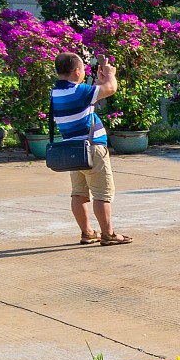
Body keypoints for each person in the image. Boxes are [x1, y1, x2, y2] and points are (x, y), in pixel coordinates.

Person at [50, 51, 129, 245]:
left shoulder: (57, 92)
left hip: (73, 150)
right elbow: (110, 88)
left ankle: (87, 232)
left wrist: (99, 83)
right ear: (77, 72)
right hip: (92, 149)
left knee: (79, 192)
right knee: (102, 194)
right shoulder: (80, 92)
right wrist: (110, 74)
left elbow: (88, 97)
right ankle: (108, 234)